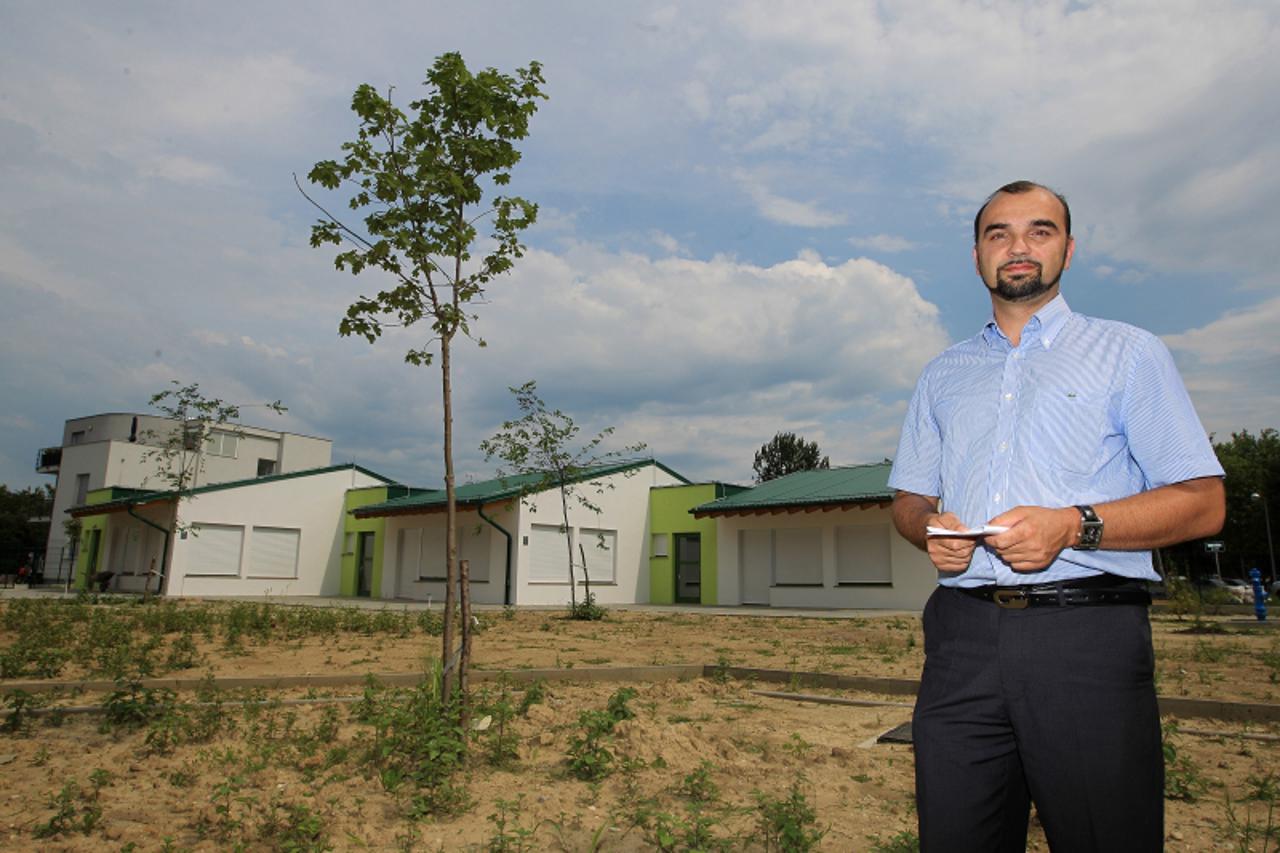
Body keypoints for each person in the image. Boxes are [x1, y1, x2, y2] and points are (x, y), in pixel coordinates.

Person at [888, 180, 1225, 852]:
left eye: (1039, 231)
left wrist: (1073, 524)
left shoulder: (1128, 353)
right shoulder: (942, 374)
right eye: (998, 233)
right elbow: (908, 500)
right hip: (961, 641)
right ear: (977, 256)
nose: (1018, 247)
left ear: (1068, 250)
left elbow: (1203, 501)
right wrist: (931, 529)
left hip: (1087, 636)